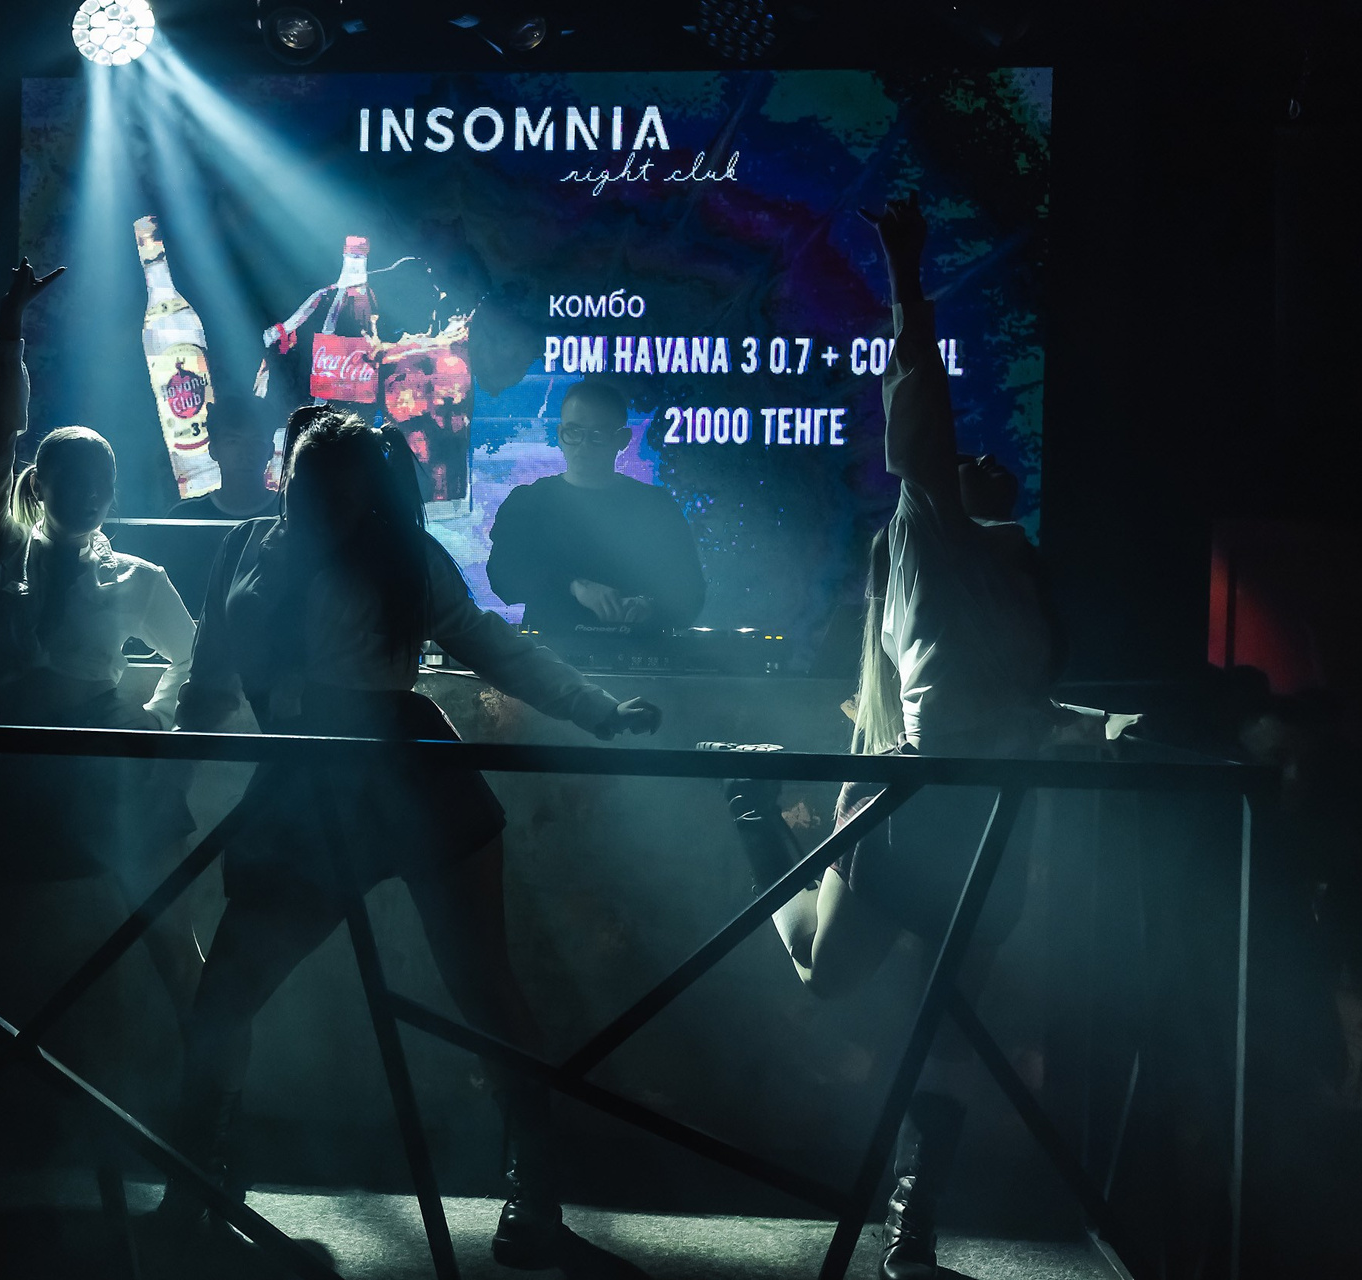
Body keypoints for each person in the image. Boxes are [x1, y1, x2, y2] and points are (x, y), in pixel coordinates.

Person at [165, 408, 662, 1268]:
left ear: (363, 496)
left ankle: (536, 1188)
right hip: (306, 787)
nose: (317, 507)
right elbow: (210, 680)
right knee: (228, 993)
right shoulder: (248, 546)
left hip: (409, 773)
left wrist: (597, 708)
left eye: (336, 494)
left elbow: (490, 645)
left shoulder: (401, 554)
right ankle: (199, 1175)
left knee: (484, 988)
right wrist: (168, 776)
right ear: (290, 478)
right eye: (307, 487)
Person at [724, 193, 1059, 1280]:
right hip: (917, 806)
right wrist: (906, 275)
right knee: (824, 974)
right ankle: (754, 820)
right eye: (965, 462)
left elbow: (1027, 698)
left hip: (987, 812)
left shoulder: (1019, 567)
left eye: (993, 462)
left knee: (950, 1017)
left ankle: (914, 1214)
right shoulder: (934, 536)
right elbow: (921, 412)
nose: (985, 462)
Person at [0, 259, 202, 1140]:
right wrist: (9, 328)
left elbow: (197, 656)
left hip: (109, 779)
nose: (86, 495)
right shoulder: (2, 552)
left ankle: (211, 1119)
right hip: (31, 779)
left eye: (99, 484)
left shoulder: (136, 576)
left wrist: (151, 718)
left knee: (170, 946)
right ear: (39, 485)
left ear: (113, 493)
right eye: (69, 480)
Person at [486, 379, 705, 635]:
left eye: (597, 435)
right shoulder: (527, 502)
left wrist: (649, 606)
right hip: (550, 650)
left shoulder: (656, 506)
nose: (584, 445)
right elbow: (502, 577)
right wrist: (574, 586)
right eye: (574, 432)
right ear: (560, 434)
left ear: (622, 439)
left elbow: (690, 592)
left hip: (638, 649)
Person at [167, 409, 279, 521]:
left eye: (256, 442)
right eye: (233, 442)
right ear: (213, 450)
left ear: (271, 450)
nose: (245, 453)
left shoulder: (286, 512)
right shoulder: (185, 516)